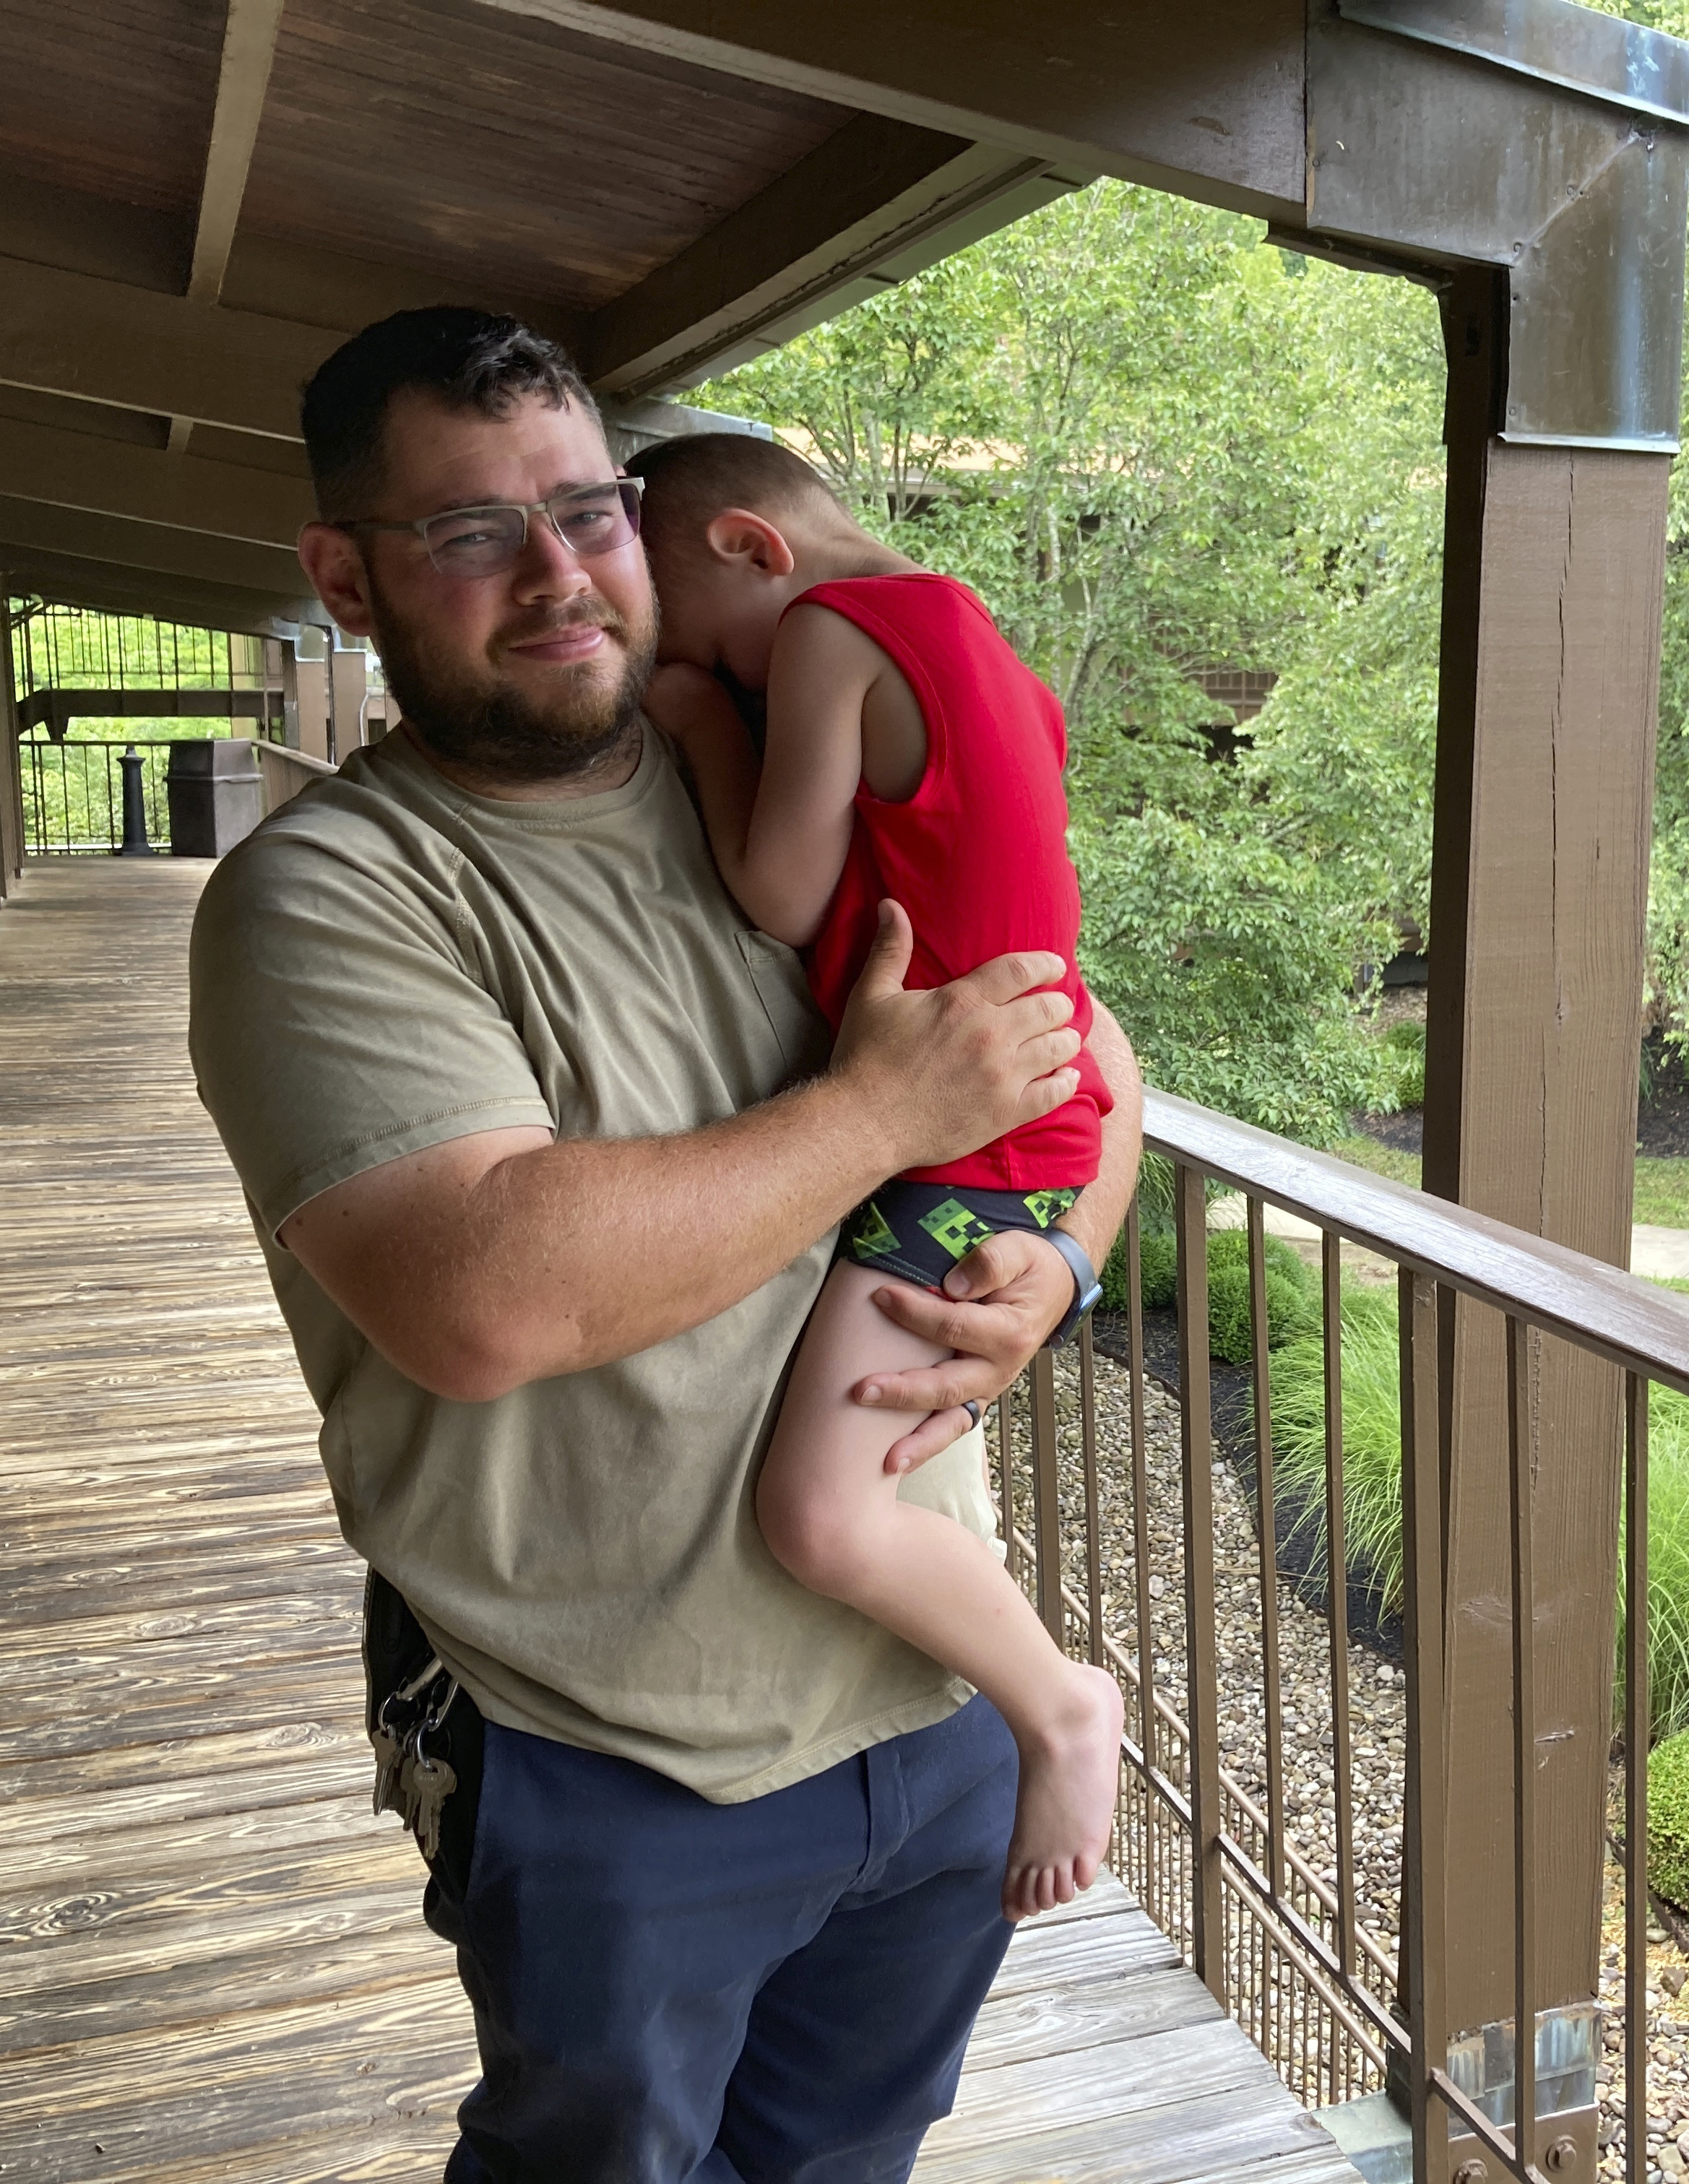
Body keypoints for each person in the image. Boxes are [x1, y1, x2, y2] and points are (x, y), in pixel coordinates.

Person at [186, 306, 1144, 2183]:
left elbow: (1091, 1061)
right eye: (473, 532)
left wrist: (1063, 1266)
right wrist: (881, 1117)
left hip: (934, 1704)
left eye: (588, 511)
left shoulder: (783, 746)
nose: (557, 575)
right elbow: (485, 1293)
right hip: (615, 1765)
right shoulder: (333, 895)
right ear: (343, 576)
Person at [632, 432, 1126, 1923]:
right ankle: (1042, 1700)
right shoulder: (995, 657)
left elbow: (780, 887)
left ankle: (1056, 1704)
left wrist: (703, 731)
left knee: (823, 1516)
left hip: (957, 1150)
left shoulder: (835, 634)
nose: (714, 675)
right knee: (848, 1494)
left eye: (704, 643)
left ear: (750, 550)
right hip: (1027, 1130)